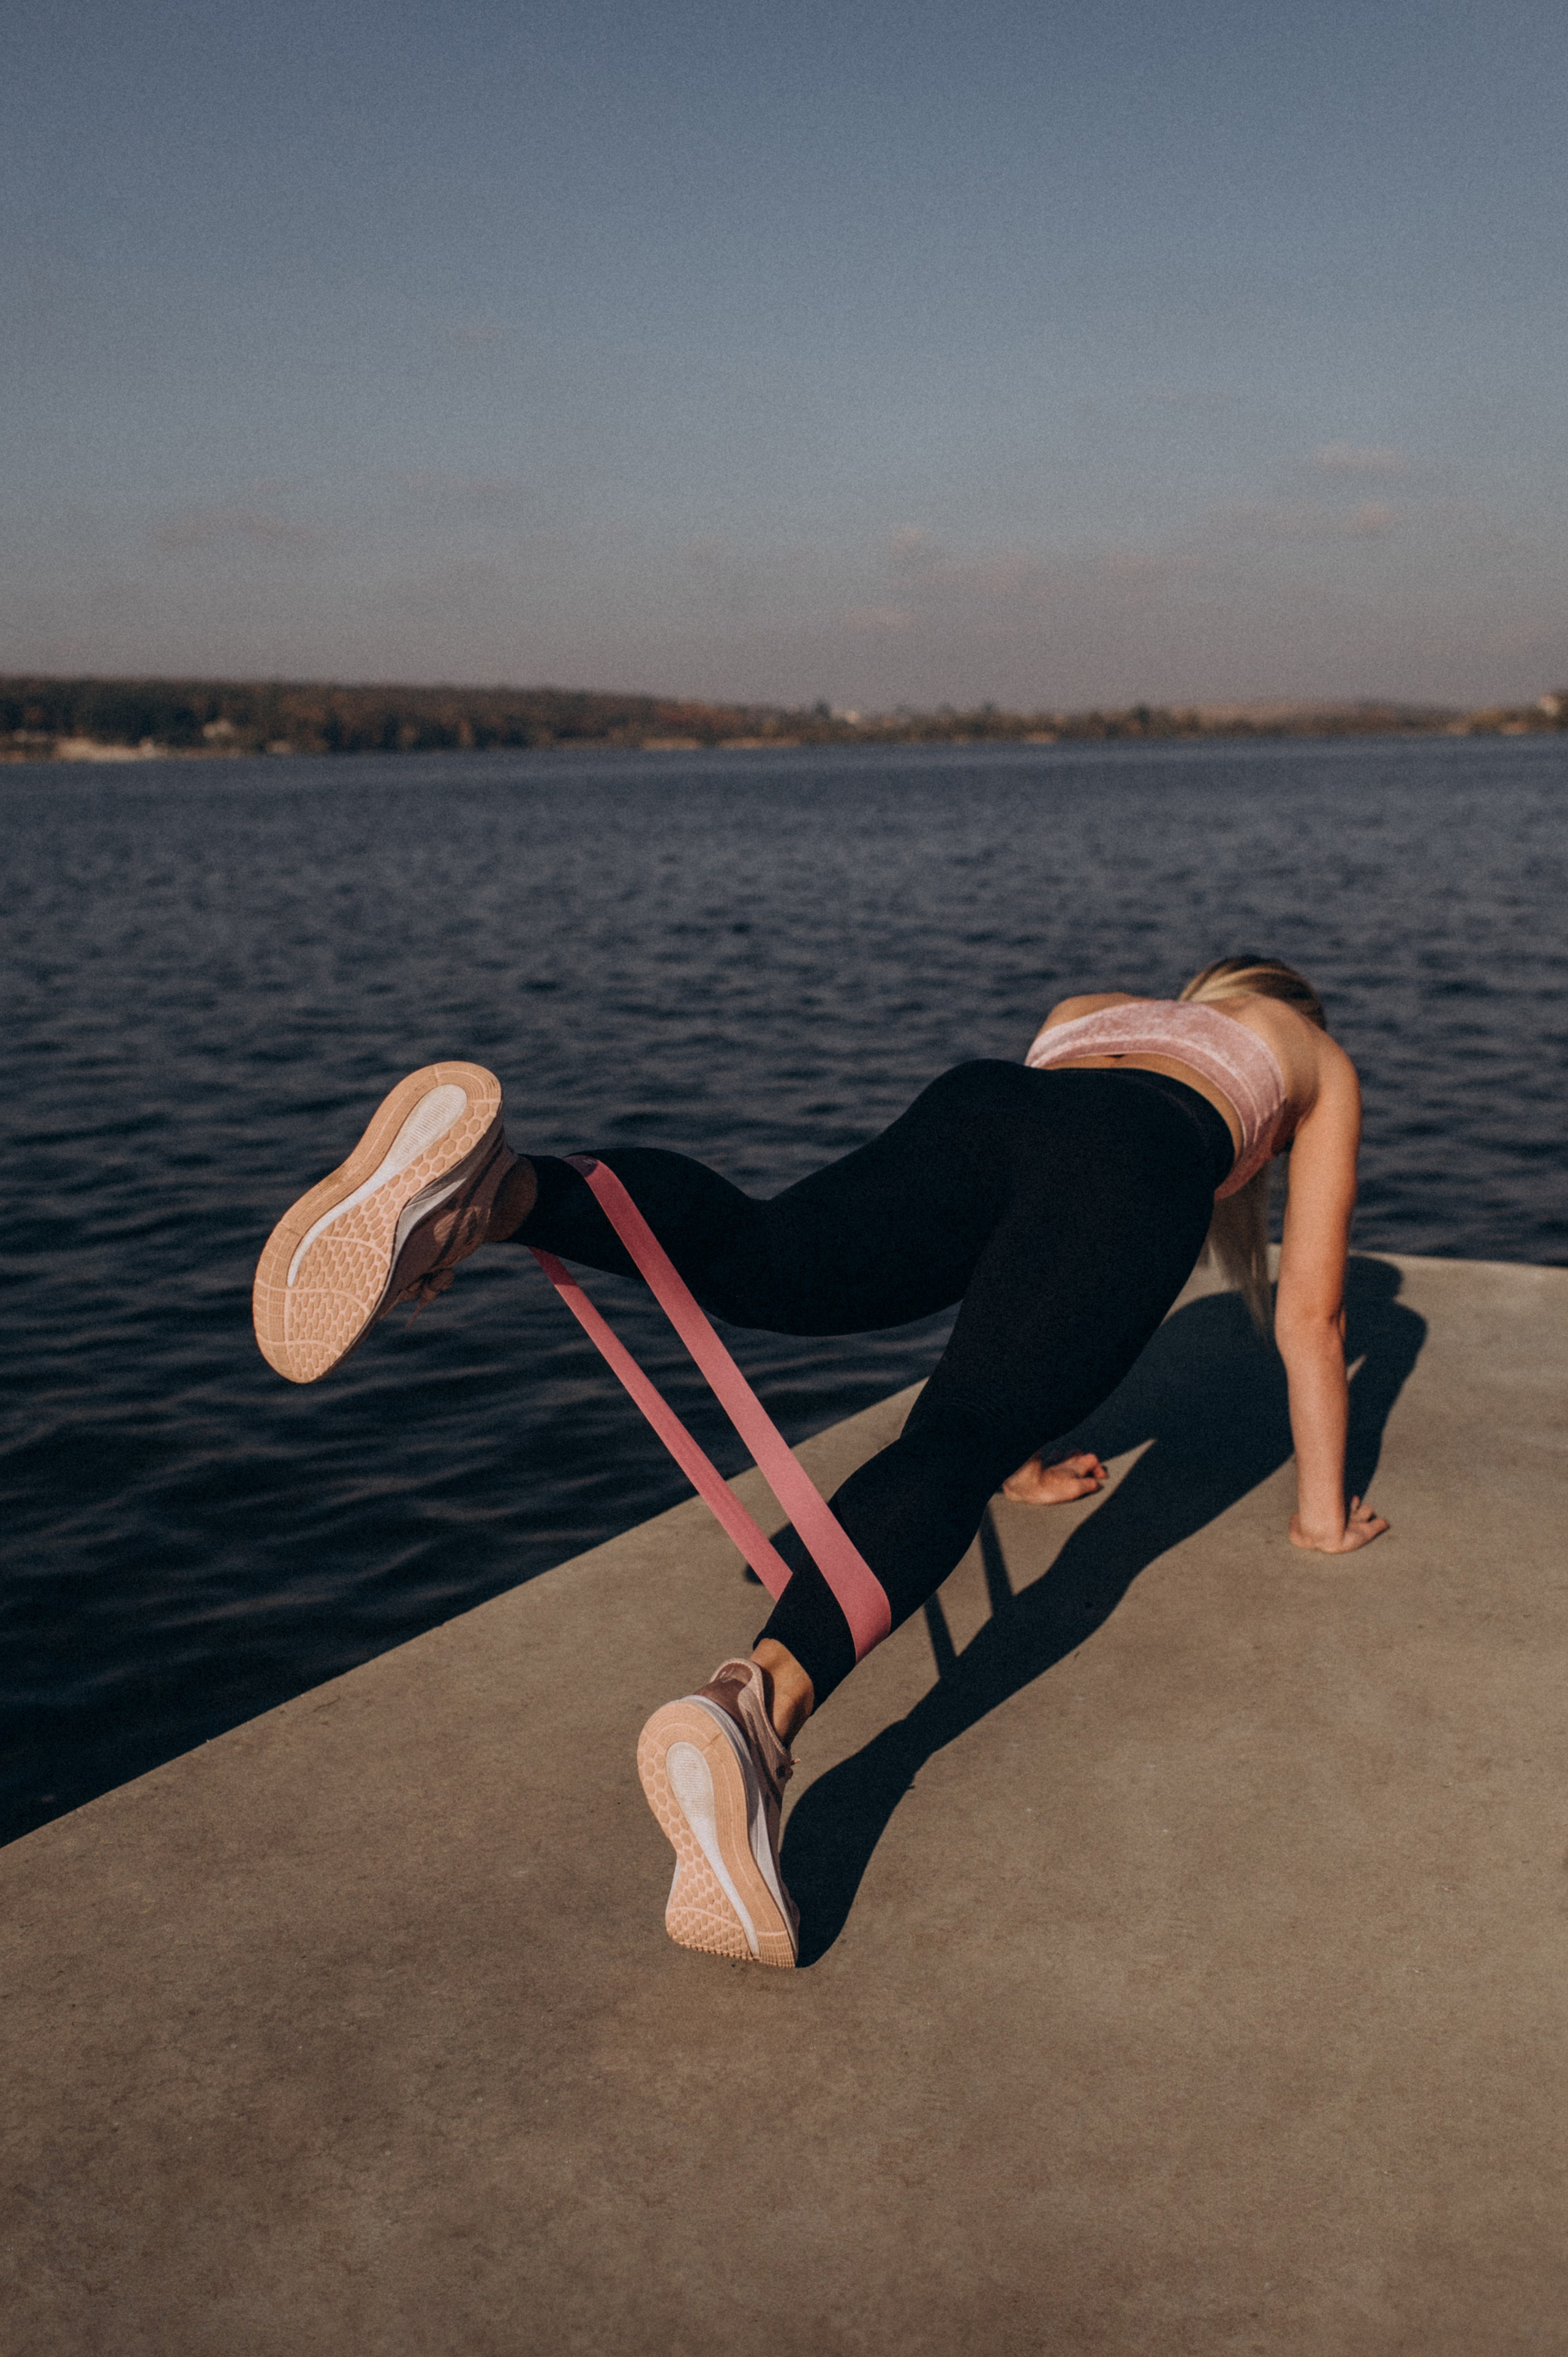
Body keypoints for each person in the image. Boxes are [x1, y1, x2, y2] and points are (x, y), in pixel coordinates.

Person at [254, 954, 1387, 1970]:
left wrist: (1029, 1467)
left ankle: (502, 1193)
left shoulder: (1096, 1009)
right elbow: (1314, 1319)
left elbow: (1020, 1241)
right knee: (956, 1437)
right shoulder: (1314, 1058)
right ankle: (752, 1714)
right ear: (1289, 1013)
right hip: (1137, 1160)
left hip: (987, 1098)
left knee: (767, 1256)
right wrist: (1320, 1519)